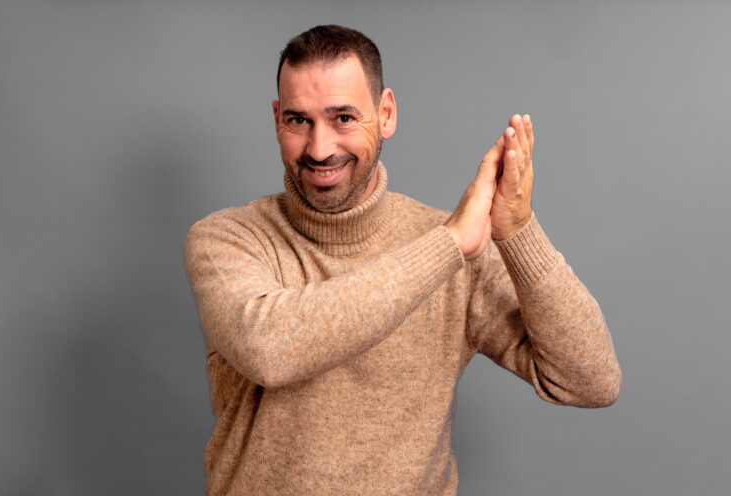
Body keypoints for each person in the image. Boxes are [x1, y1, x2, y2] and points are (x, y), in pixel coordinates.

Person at [184, 24, 620, 496]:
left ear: (386, 114)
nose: (320, 148)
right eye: (298, 120)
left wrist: (517, 229)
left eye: (343, 118)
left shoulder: (458, 249)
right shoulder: (227, 239)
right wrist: (447, 247)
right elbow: (269, 349)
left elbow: (590, 380)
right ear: (277, 120)